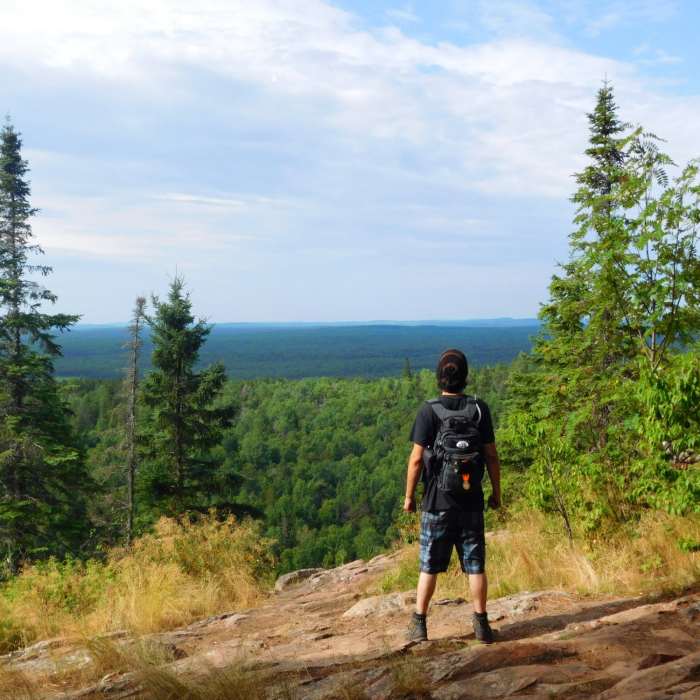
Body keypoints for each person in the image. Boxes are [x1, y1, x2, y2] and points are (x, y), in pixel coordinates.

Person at [404, 348, 502, 644]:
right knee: (475, 564)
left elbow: (416, 460)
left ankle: (419, 624)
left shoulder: (428, 410)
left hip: (437, 501)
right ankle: (482, 625)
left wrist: (409, 497)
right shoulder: (479, 409)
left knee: (429, 564)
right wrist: (497, 493)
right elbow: (491, 456)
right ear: (465, 377)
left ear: (440, 378)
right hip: (471, 500)